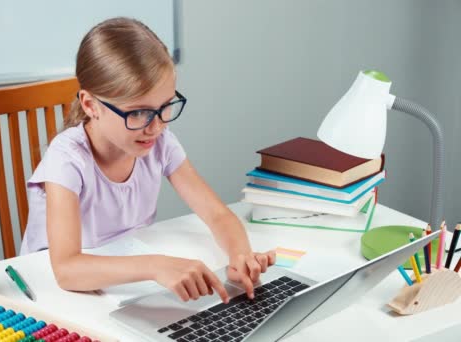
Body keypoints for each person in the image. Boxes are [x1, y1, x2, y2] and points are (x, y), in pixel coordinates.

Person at [20, 17, 275, 303]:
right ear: (91, 105)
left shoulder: (159, 143)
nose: (155, 126)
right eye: (138, 112)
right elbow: (66, 269)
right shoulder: (67, 159)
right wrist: (155, 265)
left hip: (124, 281)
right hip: (56, 293)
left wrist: (240, 255)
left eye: (165, 107)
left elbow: (216, 214)